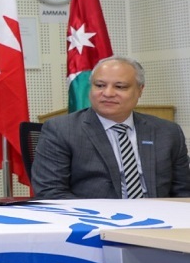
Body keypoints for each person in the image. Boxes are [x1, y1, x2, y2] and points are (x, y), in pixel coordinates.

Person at [32, 56, 190, 199]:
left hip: (159, 217)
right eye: (100, 85)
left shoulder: (168, 132)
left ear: (140, 90)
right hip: (94, 219)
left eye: (120, 87)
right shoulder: (61, 130)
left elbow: (183, 191)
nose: (107, 93)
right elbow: (51, 191)